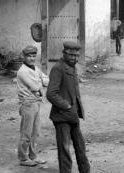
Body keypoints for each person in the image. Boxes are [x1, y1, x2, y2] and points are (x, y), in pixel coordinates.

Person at [46, 41, 90, 172]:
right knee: (64, 149)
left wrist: (74, 109)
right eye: (71, 55)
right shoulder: (58, 68)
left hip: (73, 114)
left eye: (76, 56)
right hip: (62, 116)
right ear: (64, 53)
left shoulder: (72, 66)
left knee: (80, 147)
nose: (74, 58)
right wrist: (66, 106)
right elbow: (51, 94)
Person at [16, 46, 49, 167]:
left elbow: (46, 80)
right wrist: (40, 84)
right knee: (26, 133)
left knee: (35, 132)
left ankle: (33, 155)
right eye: (29, 56)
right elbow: (35, 86)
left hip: (36, 102)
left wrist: (40, 83)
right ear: (24, 57)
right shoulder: (22, 71)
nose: (32, 58)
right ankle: (23, 158)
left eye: (34, 56)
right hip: (27, 103)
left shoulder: (35, 68)